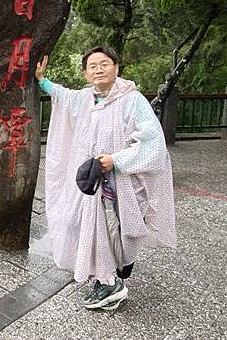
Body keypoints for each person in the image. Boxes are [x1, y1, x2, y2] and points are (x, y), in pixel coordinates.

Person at [35, 45, 177, 310]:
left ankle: (113, 283)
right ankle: (105, 281)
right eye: (92, 66)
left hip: (121, 183)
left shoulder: (132, 100)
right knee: (83, 226)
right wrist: (42, 80)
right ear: (86, 74)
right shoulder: (84, 99)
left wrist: (117, 160)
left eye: (104, 64)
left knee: (117, 233)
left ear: (116, 68)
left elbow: (153, 143)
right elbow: (62, 95)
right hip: (93, 183)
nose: (98, 69)